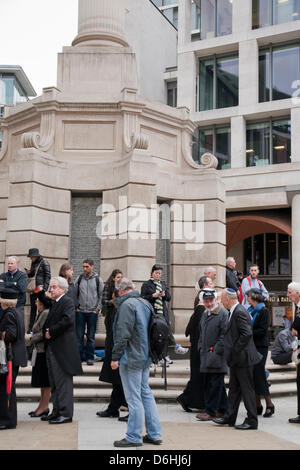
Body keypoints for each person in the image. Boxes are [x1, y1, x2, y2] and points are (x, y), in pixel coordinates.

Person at [111, 278, 162, 447]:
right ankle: (154, 434)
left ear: (120, 291)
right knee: (145, 393)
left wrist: (115, 357)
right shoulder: (145, 303)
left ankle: (133, 436)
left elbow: (123, 334)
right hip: (145, 355)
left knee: (133, 398)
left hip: (131, 357)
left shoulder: (126, 305)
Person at [213, 288, 262, 430]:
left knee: (247, 390)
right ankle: (229, 417)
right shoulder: (235, 310)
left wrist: (234, 351)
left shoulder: (239, 311)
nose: (221, 302)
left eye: (222, 299)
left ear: (228, 299)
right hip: (237, 359)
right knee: (234, 389)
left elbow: (246, 334)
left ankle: (252, 420)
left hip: (243, 358)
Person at [42, 277, 83, 424]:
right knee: (54, 383)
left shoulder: (67, 302)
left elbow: (68, 320)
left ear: (62, 289)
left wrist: (50, 331)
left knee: (63, 384)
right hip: (53, 348)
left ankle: (65, 414)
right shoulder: (55, 302)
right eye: (50, 287)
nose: (50, 290)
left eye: (53, 287)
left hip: (63, 350)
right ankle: (57, 411)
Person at [141, 264, 188, 363]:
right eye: (156, 273)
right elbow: (143, 298)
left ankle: (165, 355)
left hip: (163, 312)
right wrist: (153, 295)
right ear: (152, 272)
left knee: (165, 332)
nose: (158, 275)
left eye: (159, 273)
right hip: (152, 312)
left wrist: (163, 294)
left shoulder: (162, 284)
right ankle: (171, 349)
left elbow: (169, 298)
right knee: (157, 335)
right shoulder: (147, 284)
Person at [177, 278, 211, 412]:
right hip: (199, 348)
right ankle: (186, 398)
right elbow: (195, 328)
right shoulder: (201, 309)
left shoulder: (201, 308)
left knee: (199, 376)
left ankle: (190, 399)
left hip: (199, 346)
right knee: (198, 375)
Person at [97, 269, 128, 420]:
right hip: (112, 346)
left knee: (120, 379)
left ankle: (119, 407)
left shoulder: (123, 310)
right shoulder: (113, 311)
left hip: (118, 349)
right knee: (116, 379)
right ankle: (113, 408)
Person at [196, 290, 228, 421]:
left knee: (214, 384)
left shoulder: (222, 314)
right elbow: (201, 332)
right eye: (206, 301)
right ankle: (223, 409)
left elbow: (224, 335)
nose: (208, 303)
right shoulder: (205, 313)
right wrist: (200, 346)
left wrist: (215, 350)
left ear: (215, 300)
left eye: (210, 300)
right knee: (216, 383)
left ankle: (211, 411)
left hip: (217, 356)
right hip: (206, 354)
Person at [0, 287, 27, 430]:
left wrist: (1, 334)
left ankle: (7, 420)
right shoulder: (16, 312)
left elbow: (11, 335)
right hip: (14, 356)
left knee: (7, 388)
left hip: (11, 357)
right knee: (8, 388)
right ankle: (8, 419)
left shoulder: (9, 314)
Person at [247, 288, 274, 418]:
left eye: (248, 296)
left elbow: (262, 331)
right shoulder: (250, 310)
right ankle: (257, 404)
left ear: (254, 298)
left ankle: (269, 404)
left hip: (260, 347)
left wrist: (247, 333)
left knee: (259, 375)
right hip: (251, 347)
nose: (246, 299)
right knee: (254, 376)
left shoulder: (263, 311)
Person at [75, 259, 104, 365]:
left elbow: (101, 295)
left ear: (92, 267)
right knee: (79, 336)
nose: (85, 268)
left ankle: (90, 357)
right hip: (80, 312)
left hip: (92, 312)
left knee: (91, 336)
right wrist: (76, 307)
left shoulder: (98, 280)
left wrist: (97, 309)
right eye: (83, 266)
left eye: (87, 266)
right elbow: (75, 293)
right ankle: (78, 357)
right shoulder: (79, 279)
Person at [28, 290, 52, 418]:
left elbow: (43, 332)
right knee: (41, 381)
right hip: (38, 351)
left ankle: (44, 406)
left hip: (43, 351)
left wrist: (32, 338)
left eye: (37, 299)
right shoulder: (40, 312)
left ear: (42, 302)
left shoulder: (46, 313)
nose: (35, 301)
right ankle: (41, 406)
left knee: (45, 381)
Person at [25, 248, 51, 332]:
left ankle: (41, 328)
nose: (31, 258)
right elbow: (33, 275)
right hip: (33, 290)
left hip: (40, 290)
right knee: (33, 308)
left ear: (36, 256)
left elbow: (48, 276)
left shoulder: (44, 262)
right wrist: (29, 273)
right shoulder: (33, 263)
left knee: (42, 309)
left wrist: (45, 289)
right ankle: (31, 329)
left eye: (31, 257)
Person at [287, 282, 300, 424]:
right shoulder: (297, 307)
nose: (288, 295)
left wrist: (295, 327)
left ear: (298, 293)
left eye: (290, 292)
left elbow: (296, 328)